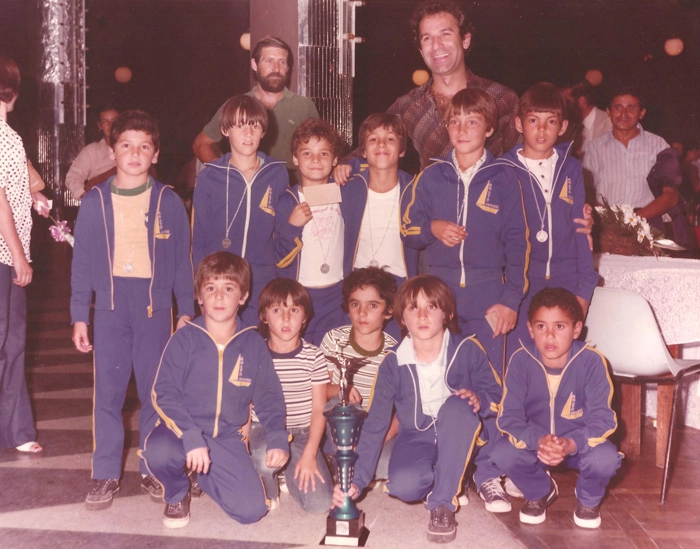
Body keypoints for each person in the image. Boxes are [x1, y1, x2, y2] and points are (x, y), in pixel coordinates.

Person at [70, 110, 194, 510]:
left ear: (155, 154)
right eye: (126, 145)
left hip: (153, 307)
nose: (135, 153)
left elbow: (180, 262)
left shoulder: (169, 201)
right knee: (107, 393)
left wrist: (186, 310)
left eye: (144, 146)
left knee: (156, 393)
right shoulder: (94, 201)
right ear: (112, 151)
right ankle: (105, 473)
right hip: (109, 307)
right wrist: (78, 315)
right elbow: (83, 262)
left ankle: (153, 467)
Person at [331, 275, 503, 544]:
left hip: (461, 431)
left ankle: (442, 504)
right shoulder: (392, 363)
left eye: (431, 307)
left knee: (458, 406)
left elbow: (496, 394)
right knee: (403, 485)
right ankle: (448, 476)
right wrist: (357, 479)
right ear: (401, 318)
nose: (422, 315)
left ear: (447, 313)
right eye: (413, 308)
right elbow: (376, 424)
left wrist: (480, 399)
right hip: (417, 436)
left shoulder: (468, 348)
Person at [141, 252, 289, 528]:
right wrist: (191, 435)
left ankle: (203, 475)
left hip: (226, 438)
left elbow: (269, 396)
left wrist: (278, 436)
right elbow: (164, 393)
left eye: (228, 289)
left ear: (243, 297)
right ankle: (176, 492)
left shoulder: (253, 344)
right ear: (199, 297)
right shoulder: (184, 339)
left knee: (252, 511)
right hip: (182, 432)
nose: (219, 297)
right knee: (158, 450)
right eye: (211, 288)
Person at [401, 88, 529, 376]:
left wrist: (510, 301)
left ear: (489, 128)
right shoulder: (430, 177)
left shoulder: (505, 178)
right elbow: (408, 231)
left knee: (489, 380)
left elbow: (518, 244)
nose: (462, 129)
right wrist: (432, 228)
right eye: (454, 121)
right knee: (439, 375)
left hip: (488, 294)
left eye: (472, 121)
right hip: (439, 296)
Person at [492, 287, 622, 529]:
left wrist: (571, 443)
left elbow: (603, 420)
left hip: (578, 447)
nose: (550, 336)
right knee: (502, 452)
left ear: (576, 329)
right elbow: (509, 418)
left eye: (559, 327)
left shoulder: (592, 362)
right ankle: (538, 491)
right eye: (541, 327)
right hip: (537, 447)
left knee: (605, 457)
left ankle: (588, 500)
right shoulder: (521, 361)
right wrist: (539, 439)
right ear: (530, 329)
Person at [499, 83, 599, 356]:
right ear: (519, 124)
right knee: (521, 359)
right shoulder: (502, 170)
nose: (541, 130)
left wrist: (583, 292)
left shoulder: (572, 169)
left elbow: (581, 231)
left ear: (563, 126)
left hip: (566, 281)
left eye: (550, 121)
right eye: (533, 120)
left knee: (561, 363)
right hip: (522, 284)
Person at [192, 95, 295, 326]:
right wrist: (200, 287)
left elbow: (280, 233)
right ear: (225, 130)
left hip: (262, 278)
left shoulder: (277, 173)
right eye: (240, 126)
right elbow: (198, 239)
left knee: (256, 345)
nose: (248, 134)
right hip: (219, 280)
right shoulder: (209, 176)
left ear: (263, 131)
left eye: (254, 126)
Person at [250, 277, 332, 514]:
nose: (286, 318)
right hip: (264, 430)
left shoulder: (314, 357)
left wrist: (310, 454)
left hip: (302, 434)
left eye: (294, 310)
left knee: (320, 505)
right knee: (263, 457)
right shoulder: (255, 353)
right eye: (277, 310)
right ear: (264, 316)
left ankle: (288, 470)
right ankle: (267, 481)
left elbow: (319, 410)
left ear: (305, 317)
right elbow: (245, 404)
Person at [192, 36, 319, 180]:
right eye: (269, 61)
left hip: (291, 193)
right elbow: (201, 144)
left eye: (282, 62)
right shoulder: (237, 106)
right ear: (254, 64)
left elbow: (323, 150)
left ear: (288, 67)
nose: (276, 68)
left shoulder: (304, 106)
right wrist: (227, 175)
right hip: (251, 192)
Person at [0, 54, 43, 454]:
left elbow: (31, 180)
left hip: (8, 252)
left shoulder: (9, 136)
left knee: (13, 343)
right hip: (3, 252)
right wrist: (18, 254)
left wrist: (35, 195)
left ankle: (16, 429)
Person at [320, 267, 398, 479]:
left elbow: (402, 409)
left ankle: (345, 463)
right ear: (348, 308)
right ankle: (336, 454)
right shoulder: (334, 340)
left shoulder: (394, 352)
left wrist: (378, 442)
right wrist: (339, 388)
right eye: (356, 304)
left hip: (376, 430)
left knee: (384, 467)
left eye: (373, 305)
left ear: (389, 310)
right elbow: (317, 391)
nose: (362, 313)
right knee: (336, 403)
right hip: (339, 425)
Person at [275, 118, 347, 344]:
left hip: (337, 296)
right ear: (295, 158)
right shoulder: (287, 202)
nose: (315, 159)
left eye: (324, 154)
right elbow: (278, 257)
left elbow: (369, 169)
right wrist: (291, 226)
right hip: (300, 297)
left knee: (333, 363)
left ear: (335, 159)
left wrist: (350, 165)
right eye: (307, 153)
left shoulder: (344, 193)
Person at [340, 113, 419, 299]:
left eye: (390, 139)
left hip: (401, 286)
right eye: (373, 139)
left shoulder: (415, 191)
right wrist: (343, 165)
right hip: (357, 283)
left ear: (402, 150)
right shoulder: (347, 188)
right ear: (363, 151)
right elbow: (312, 190)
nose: (381, 144)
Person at [582, 87, 679, 229]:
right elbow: (586, 193)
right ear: (608, 111)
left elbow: (671, 196)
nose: (624, 114)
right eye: (618, 107)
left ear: (642, 113)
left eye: (631, 108)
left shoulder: (659, 146)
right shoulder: (593, 149)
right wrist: (612, 222)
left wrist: (633, 220)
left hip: (649, 228)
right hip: (607, 229)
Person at [64, 106, 120, 200]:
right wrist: (88, 199)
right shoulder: (91, 151)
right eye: (105, 121)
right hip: (102, 205)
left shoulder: (134, 148)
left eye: (114, 120)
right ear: (99, 126)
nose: (111, 125)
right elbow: (72, 178)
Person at [567, 80, 612, 154]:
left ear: (582, 101)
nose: (564, 105)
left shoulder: (609, 123)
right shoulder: (568, 126)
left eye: (568, 101)